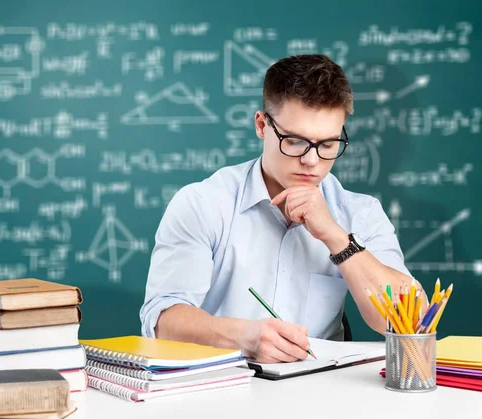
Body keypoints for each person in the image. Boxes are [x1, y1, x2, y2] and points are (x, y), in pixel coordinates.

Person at [139, 54, 425, 363]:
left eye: (328, 145)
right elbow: (162, 320)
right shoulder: (203, 204)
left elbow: (408, 320)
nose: (311, 161)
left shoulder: (361, 213)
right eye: (295, 141)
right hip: (219, 390)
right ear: (262, 125)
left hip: (322, 393)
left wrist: (337, 238)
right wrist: (242, 338)